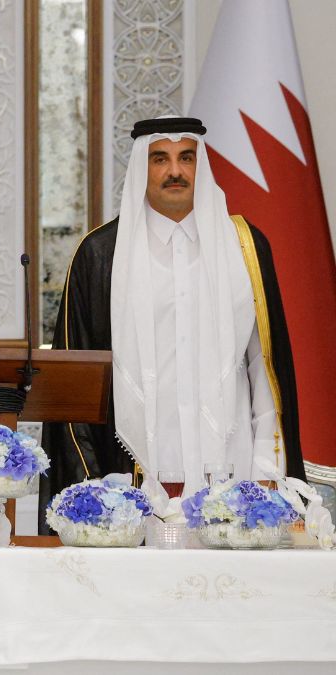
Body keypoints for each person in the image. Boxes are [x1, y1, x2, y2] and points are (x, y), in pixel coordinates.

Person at [41, 117, 304, 524]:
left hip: (235, 487)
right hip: (128, 490)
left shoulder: (245, 248)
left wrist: (268, 478)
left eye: (186, 158)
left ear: (202, 166)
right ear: (140, 169)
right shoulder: (100, 255)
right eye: (159, 159)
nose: (175, 171)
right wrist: (90, 490)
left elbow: (264, 371)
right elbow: (74, 387)